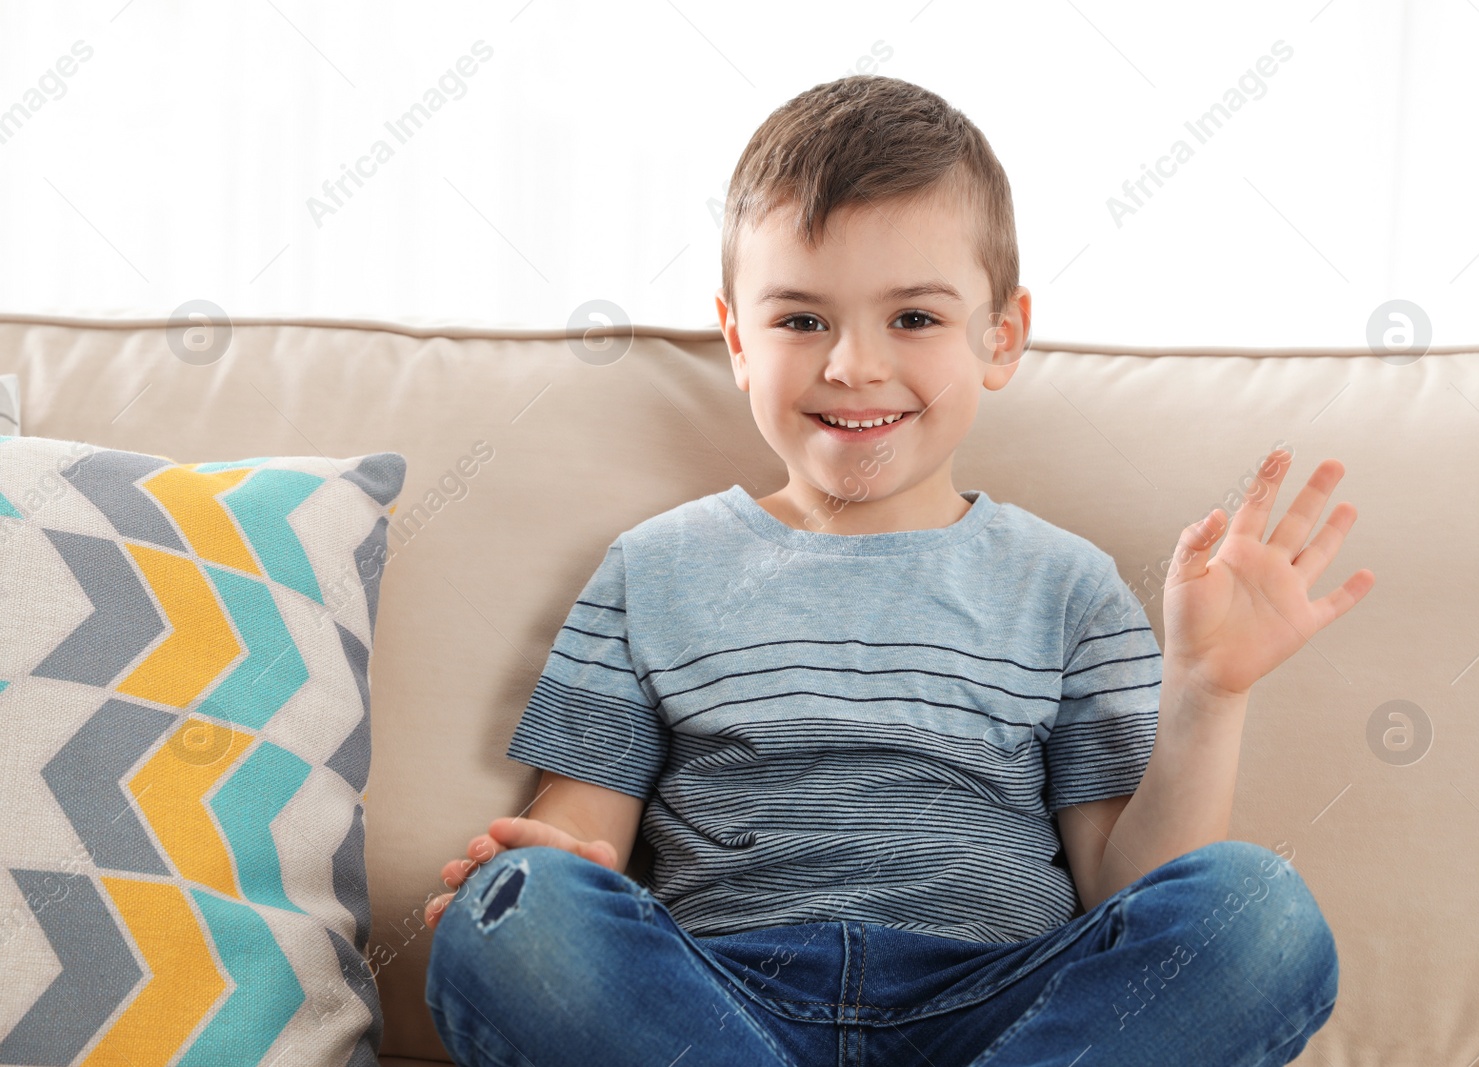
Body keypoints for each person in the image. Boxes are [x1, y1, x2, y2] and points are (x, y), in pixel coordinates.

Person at [422, 73, 1374, 1067]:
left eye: (912, 318)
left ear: (999, 336)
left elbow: (1129, 890)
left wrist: (1207, 693)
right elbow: (580, 833)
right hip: (724, 1009)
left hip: (1000, 1009)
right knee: (506, 912)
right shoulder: (649, 569)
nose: (853, 365)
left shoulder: (1068, 586)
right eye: (800, 320)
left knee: (1255, 907)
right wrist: (541, 873)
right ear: (737, 339)